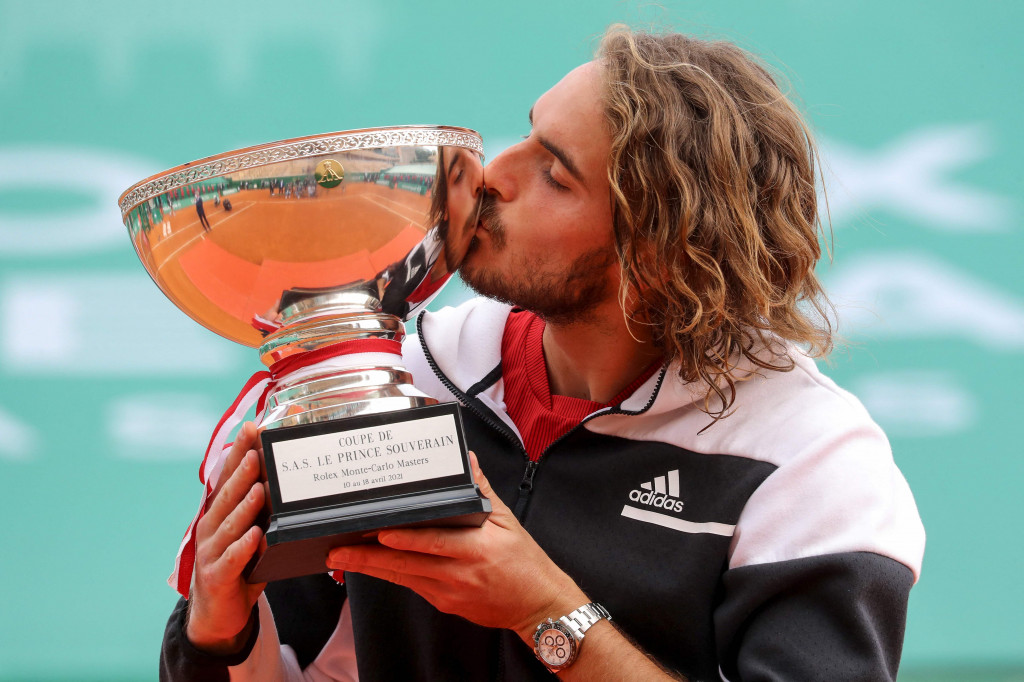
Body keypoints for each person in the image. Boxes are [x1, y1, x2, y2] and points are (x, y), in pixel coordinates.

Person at [160, 27, 924, 681]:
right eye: (526, 131)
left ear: (659, 255)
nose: (495, 175)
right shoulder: (412, 374)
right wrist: (219, 631)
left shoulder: (810, 465)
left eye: (555, 174)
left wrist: (546, 611)